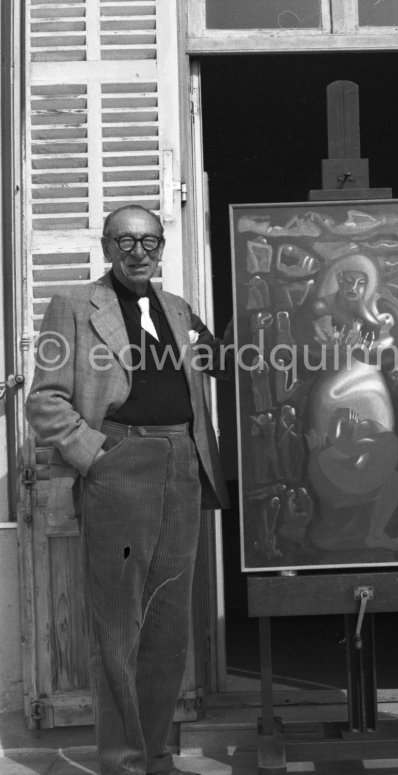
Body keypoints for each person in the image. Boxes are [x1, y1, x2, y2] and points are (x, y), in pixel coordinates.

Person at [26, 205, 232, 775]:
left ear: (162, 247)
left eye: (149, 241)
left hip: (182, 464)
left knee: (168, 626)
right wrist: (96, 454)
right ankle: (123, 763)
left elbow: (218, 363)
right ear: (106, 247)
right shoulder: (73, 306)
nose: (138, 252)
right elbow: (44, 400)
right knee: (120, 627)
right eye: (125, 241)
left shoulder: (177, 309)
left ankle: (158, 755)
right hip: (120, 465)